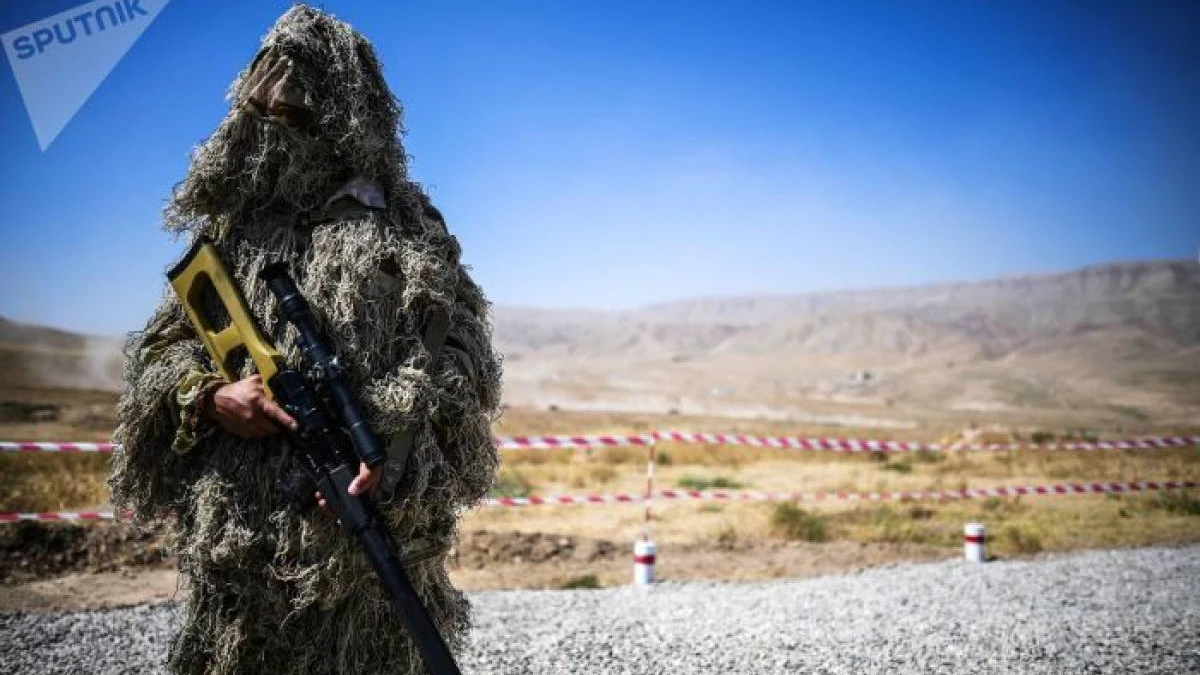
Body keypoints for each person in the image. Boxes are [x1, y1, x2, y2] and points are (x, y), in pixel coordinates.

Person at [109, 5, 502, 674]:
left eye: (300, 117)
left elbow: (463, 361)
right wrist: (210, 395)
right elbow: (162, 352)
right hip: (244, 547)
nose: (282, 133)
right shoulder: (234, 233)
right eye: (269, 116)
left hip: (373, 544)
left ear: (346, 118)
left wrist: (388, 449)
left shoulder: (409, 230)